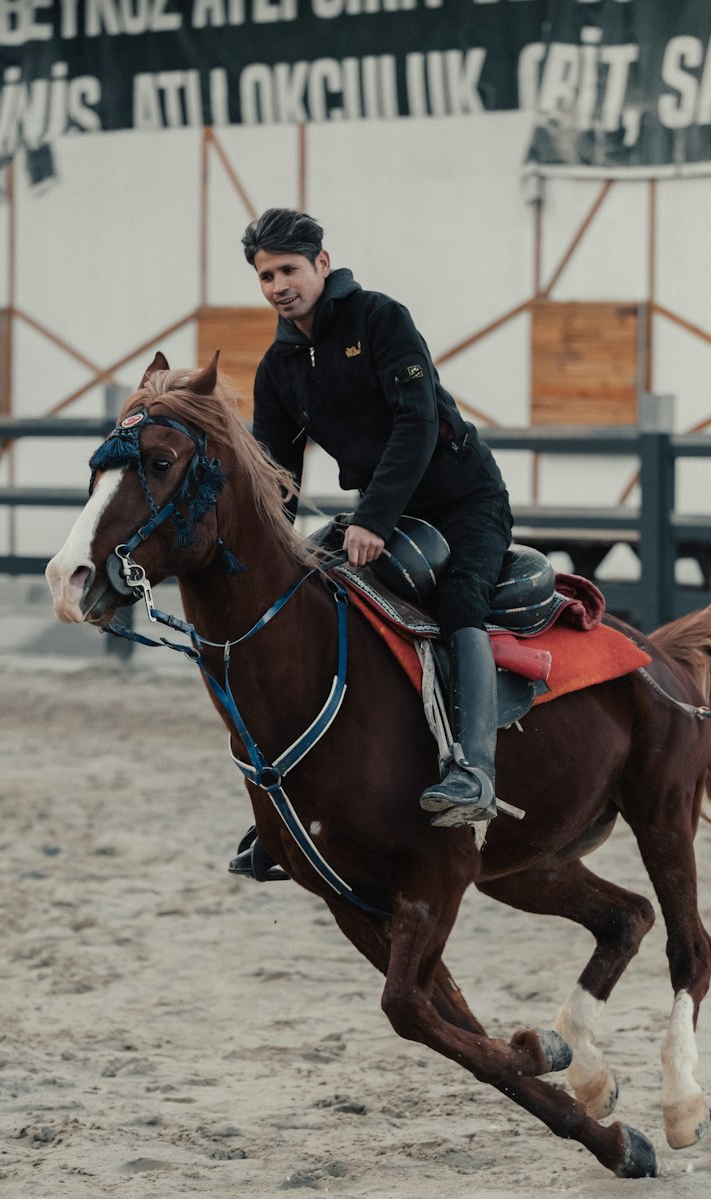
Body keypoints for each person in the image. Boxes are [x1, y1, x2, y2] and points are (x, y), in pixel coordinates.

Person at [230, 207, 514, 881]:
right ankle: (292, 801)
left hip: (462, 502)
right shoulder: (279, 366)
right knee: (312, 604)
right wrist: (267, 548)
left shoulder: (381, 320)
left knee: (460, 604)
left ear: (321, 265)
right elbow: (279, 473)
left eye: (289, 269)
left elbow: (416, 424)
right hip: (382, 514)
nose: (278, 285)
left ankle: (471, 769)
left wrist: (376, 520)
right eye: (266, 275)